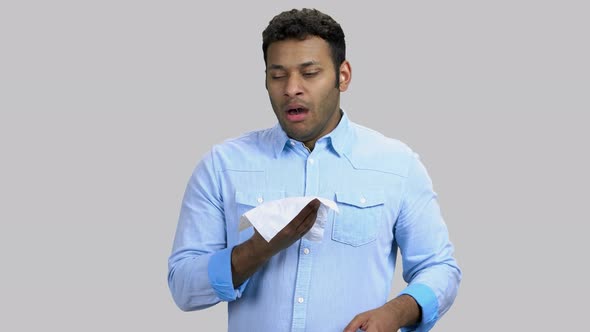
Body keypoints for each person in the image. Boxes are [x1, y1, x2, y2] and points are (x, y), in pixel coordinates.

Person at [168, 8, 461, 332]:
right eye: (278, 75)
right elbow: (183, 286)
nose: (291, 88)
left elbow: (440, 268)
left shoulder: (397, 165)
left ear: (343, 75)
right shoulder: (221, 166)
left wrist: (396, 312)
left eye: (309, 73)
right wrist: (255, 251)